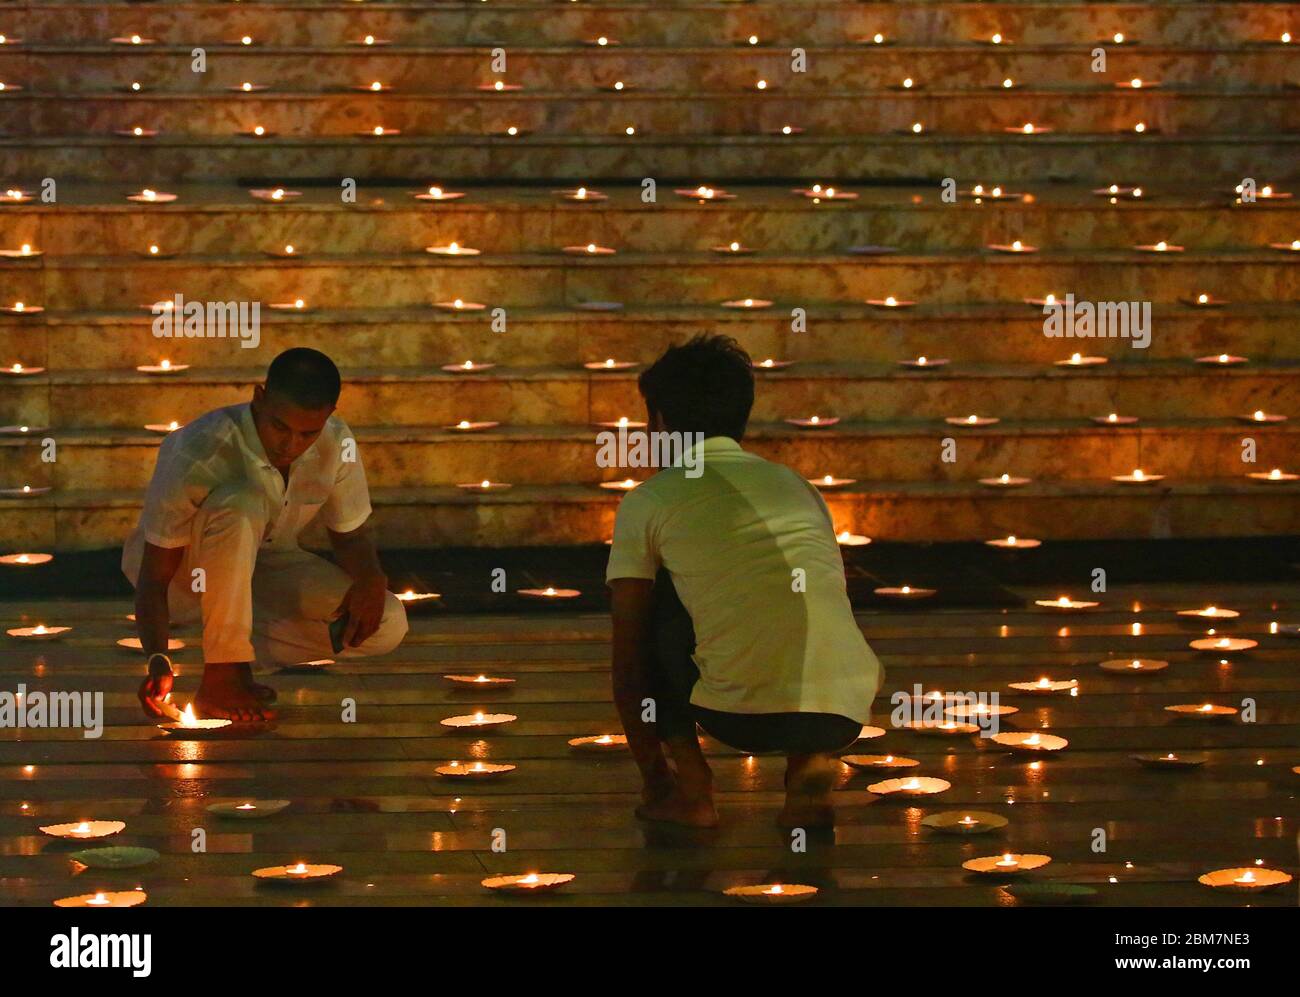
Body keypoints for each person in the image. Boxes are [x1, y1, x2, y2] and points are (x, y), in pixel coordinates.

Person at [606, 335, 883, 829]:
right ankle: (808, 770)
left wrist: (654, 778)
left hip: (738, 714)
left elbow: (627, 658)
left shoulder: (650, 500)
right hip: (845, 709)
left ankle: (690, 792)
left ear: (662, 424)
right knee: (793, 598)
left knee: (654, 608)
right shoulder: (798, 485)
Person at [125, 347, 408, 722]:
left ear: (329, 416)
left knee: (387, 623)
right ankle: (222, 672)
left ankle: (234, 656)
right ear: (259, 398)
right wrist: (158, 657)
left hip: (266, 564)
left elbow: (350, 536)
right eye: (279, 427)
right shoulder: (199, 449)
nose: (289, 446)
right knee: (242, 501)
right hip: (185, 579)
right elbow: (154, 578)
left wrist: (372, 579)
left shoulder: (337, 441)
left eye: (308, 433)